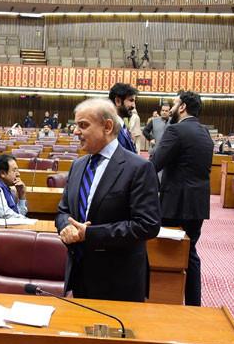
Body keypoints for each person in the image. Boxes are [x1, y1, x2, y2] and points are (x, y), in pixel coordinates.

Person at [56, 98, 160, 302]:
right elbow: (63, 211)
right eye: (76, 125)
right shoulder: (78, 165)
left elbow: (147, 225)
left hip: (119, 280)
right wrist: (65, 228)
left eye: (83, 125)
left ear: (107, 126)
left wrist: (90, 234)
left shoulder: (138, 168)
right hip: (80, 273)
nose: (76, 132)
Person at [150, 90, 213, 307]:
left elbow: (155, 163)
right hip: (197, 204)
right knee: (190, 253)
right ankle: (194, 305)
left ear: (183, 107)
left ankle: (162, 301)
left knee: (163, 252)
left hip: (174, 204)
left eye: (175, 103)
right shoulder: (205, 133)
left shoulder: (176, 130)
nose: (172, 107)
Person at [108, 83, 138, 153]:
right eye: (131, 100)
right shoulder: (110, 128)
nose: (134, 106)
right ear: (118, 101)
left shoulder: (122, 125)